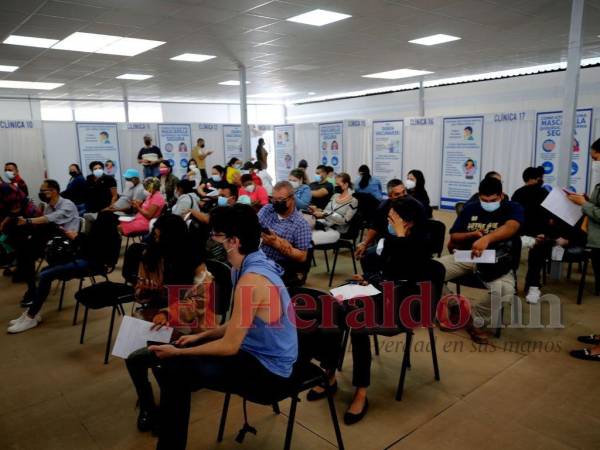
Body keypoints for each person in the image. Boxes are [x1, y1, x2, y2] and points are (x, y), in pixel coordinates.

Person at [149, 204, 298, 450]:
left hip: (270, 373)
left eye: (216, 236)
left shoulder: (251, 279)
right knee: (176, 364)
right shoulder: (243, 267)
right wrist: (202, 337)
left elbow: (230, 346)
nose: (212, 241)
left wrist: (181, 352)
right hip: (254, 353)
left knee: (175, 370)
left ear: (233, 241)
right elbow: (237, 323)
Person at [307, 197, 429, 424]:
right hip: (378, 294)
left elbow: (406, 279)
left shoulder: (422, 244)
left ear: (409, 222)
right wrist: (366, 279)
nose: (389, 221)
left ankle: (361, 392)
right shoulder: (391, 239)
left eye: (394, 218)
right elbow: (382, 271)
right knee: (329, 307)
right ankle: (329, 373)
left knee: (358, 323)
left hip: (403, 305)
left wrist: (399, 239)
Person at [125, 213, 212, 432]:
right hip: (155, 315)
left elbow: (200, 301)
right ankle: (147, 405)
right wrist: (143, 292)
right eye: (154, 235)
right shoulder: (150, 254)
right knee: (133, 356)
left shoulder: (192, 257)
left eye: (160, 236)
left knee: (156, 356)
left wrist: (168, 312)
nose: (155, 239)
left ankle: (169, 404)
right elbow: (140, 291)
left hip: (189, 321)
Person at [436, 177, 523, 344]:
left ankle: (474, 319)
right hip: (468, 255)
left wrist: (487, 238)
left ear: (501, 195)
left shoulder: (512, 208)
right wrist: (472, 235)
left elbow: (512, 227)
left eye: (492, 200)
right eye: (484, 200)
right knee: (430, 270)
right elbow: (454, 235)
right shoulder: (471, 208)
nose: (488, 203)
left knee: (505, 290)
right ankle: (456, 307)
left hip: (497, 261)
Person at [8, 210, 120, 333]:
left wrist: (77, 238)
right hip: (85, 259)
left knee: (45, 275)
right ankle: (34, 311)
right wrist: (77, 237)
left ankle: (31, 315)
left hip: (94, 265)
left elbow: (96, 254)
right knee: (45, 271)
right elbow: (89, 245)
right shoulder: (102, 231)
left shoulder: (111, 236)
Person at [13, 179, 80, 307]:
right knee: (25, 251)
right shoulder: (49, 207)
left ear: (54, 191)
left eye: (43, 191)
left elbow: (50, 219)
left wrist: (28, 221)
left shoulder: (67, 204)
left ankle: (33, 288)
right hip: (52, 240)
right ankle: (32, 288)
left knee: (29, 246)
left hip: (67, 242)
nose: (41, 193)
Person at [511, 166, 552, 303]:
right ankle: (533, 286)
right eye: (540, 177)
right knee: (536, 260)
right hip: (537, 234)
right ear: (534, 179)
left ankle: (512, 286)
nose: (542, 179)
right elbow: (548, 216)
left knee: (513, 259)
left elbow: (513, 216)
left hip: (519, 233)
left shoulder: (517, 193)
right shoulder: (544, 193)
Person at [258, 181, 311, 282]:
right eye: (273, 199)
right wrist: (279, 240)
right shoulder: (267, 209)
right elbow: (253, 227)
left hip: (279, 265)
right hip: (258, 257)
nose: (276, 202)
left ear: (291, 198)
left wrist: (275, 243)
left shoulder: (301, 224)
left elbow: (302, 256)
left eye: (280, 199)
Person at [355, 179, 408, 273]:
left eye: (403, 192)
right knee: (366, 255)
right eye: (397, 194)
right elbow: (375, 226)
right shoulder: (384, 206)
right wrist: (365, 244)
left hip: (408, 242)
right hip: (388, 242)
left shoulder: (413, 205)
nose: (402, 196)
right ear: (390, 196)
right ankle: (371, 281)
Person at [309, 173, 358, 245]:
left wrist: (325, 214)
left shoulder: (353, 201)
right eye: (335, 184)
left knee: (309, 238)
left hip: (338, 229)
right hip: (325, 224)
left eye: (338, 184)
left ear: (346, 184)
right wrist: (317, 210)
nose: (336, 186)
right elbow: (326, 211)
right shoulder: (335, 196)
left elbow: (345, 220)